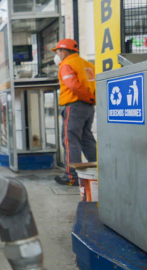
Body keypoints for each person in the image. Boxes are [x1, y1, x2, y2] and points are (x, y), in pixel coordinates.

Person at [51, 39, 97, 186]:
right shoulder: (88, 65)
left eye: (57, 51)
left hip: (74, 105)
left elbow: (73, 86)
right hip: (88, 107)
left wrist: (85, 97)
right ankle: (98, 170)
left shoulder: (66, 64)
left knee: (70, 140)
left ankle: (72, 176)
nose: (57, 54)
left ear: (63, 52)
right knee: (87, 138)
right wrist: (91, 98)